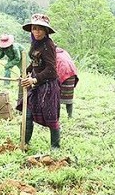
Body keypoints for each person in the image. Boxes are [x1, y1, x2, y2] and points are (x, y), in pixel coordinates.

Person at [17, 13, 61, 150]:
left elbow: (52, 71)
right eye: (34, 28)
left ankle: (55, 147)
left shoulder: (48, 45)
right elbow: (36, 62)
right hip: (35, 84)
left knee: (51, 117)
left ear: (46, 31)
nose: (37, 32)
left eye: (40, 29)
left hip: (47, 86)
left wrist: (34, 80)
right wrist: (25, 72)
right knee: (28, 112)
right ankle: (24, 143)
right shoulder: (35, 43)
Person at [56, 47, 79, 118]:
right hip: (71, 73)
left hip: (63, 73)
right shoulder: (64, 52)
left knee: (56, 97)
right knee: (69, 96)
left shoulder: (53, 54)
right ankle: (70, 116)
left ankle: (57, 117)